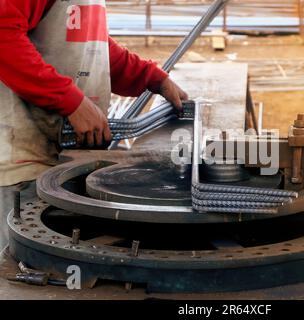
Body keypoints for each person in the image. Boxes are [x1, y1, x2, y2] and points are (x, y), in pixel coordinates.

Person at [0, 0, 188, 251]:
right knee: (20, 269)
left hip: (59, 157)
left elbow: (87, 44)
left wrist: (148, 76)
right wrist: (71, 101)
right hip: (20, 163)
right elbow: (3, 33)